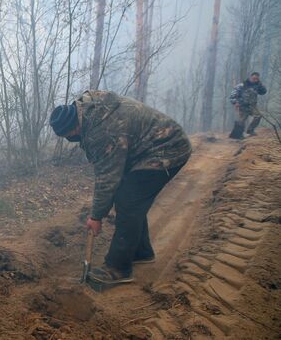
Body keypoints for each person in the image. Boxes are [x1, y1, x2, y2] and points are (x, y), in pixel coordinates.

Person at [49, 90, 192, 284]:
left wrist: (96, 216)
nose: (71, 138)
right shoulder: (88, 109)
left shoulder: (101, 130)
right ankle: (141, 252)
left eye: (68, 134)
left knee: (128, 201)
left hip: (167, 147)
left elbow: (108, 177)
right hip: (145, 148)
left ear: (73, 128)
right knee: (126, 195)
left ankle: (118, 268)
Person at [229, 72, 267, 139]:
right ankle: (239, 135)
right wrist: (235, 102)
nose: (255, 80)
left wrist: (260, 85)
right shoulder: (242, 85)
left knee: (258, 115)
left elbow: (263, 92)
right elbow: (232, 95)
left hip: (252, 106)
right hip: (243, 106)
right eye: (254, 78)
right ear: (250, 77)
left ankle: (250, 130)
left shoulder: (257, 86)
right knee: (241, 121)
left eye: (257, 79)